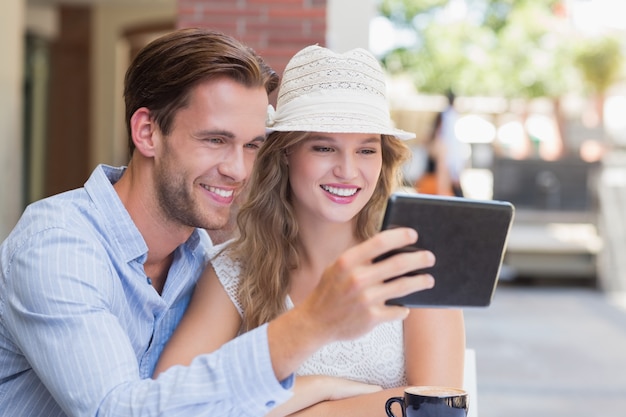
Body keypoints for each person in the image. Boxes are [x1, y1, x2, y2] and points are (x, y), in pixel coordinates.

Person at [0, 29, 438, 416]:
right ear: (147, 132)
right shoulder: (57, 247)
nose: (238, 169)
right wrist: (311, 343)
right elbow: (120, 411)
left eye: (251, 145)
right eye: (215, 140)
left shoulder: (198, 258)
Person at [155, 45, 466, 416]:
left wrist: (300, 410)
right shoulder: (235, 271)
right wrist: (318, 388)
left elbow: (437, 411)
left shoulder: (416, 266)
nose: (348, 172)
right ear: (286, 153)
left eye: (366, 150)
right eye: (324, 148)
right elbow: (167, 404)